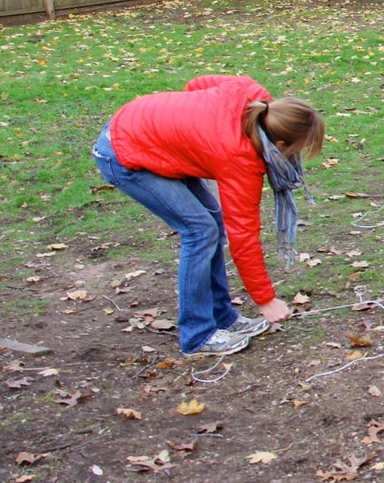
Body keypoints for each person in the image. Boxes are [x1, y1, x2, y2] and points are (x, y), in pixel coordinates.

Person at [91, 76, 324, 358]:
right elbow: (243, 235)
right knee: (201, 231)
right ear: (280, 142)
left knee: (210, 223)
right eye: (295, 151)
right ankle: (198, 335)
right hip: (124, 152)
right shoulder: (240, 157)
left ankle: (222, 316)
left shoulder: (250, 94)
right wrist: (266, 299)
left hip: (149, 135)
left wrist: (186, 132)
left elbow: (195, 84)